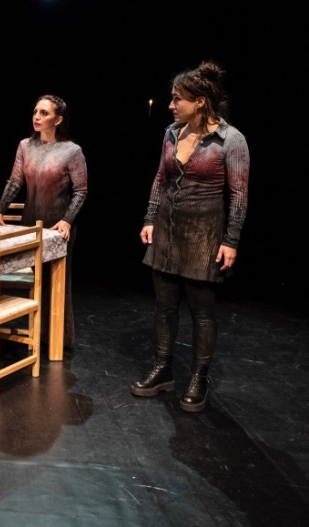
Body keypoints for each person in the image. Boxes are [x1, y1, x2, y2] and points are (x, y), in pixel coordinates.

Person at [130, 60, 249, 412]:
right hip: (167, 230)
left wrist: (231, 240)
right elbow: (160, 179)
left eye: (177, 99)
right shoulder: (171, 133)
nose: (171, 105)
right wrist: (150, 218)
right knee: (164, 307)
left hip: (204, 234)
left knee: (202, 312)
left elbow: (239, 195)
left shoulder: (230, 139)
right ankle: (163, 369)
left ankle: (199, 377)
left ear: (199, 102)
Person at [0, 94, 88, 349]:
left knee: (56, 283)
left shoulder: (72, 151)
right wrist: (0, 211)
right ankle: (24, 333)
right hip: (29, 223)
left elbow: (81, 191)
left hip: (57, 226)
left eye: (44, 113)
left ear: (58, 120)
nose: (37, 117)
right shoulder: (25, 146)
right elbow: (15, 181)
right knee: (29, 278)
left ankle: (56, 339)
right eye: (35, 112)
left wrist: (67, 220)